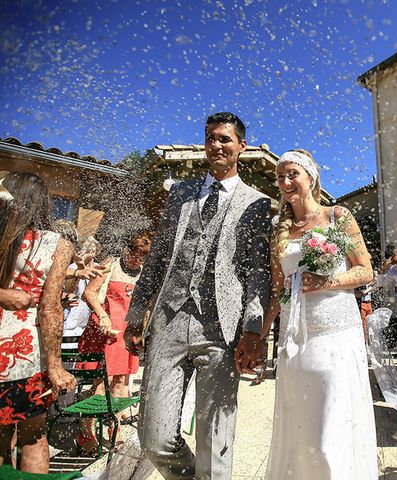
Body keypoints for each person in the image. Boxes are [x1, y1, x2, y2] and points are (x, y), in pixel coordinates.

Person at [123, 112, 271, 480]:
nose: (216, 145)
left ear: (241, 146)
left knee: (215, 438)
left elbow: (258, 274)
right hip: (168, 321)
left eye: (224, 139)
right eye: (210, 138)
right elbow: (157, 257)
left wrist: (253, 330)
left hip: (221, 328)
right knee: (154, 438)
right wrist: (135, 313)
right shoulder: (181, 194)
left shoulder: (257, 203)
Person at [261, 149, 377, 480]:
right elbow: (276, 290)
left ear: (311, 178)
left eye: (292, 174)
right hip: (294, 341)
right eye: (280, 176)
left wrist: (330, 281)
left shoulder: (337, 216)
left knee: (331, 430)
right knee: (301, 431)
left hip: (335, 336)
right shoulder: (278, 230)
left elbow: (366, 270)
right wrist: (258, 335)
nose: (284, 181)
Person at [0, 172, 76, 473]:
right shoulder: (54, 244)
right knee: (33, 435)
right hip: (25, 357)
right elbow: (50, 310)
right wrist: (55, 365)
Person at [75, 231, 151, 452]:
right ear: (128, 250)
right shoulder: (111, 265)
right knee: (101, 385)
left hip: (126, 336)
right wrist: (104, 316)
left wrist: (143, 333)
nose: (138, 261)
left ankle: (114, 428)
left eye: (143, 258)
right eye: (136, 256)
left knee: (121, 384)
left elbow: (144, 307)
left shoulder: (144, 273)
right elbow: (89, 293)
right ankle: (85, 431)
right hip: (105, 332)